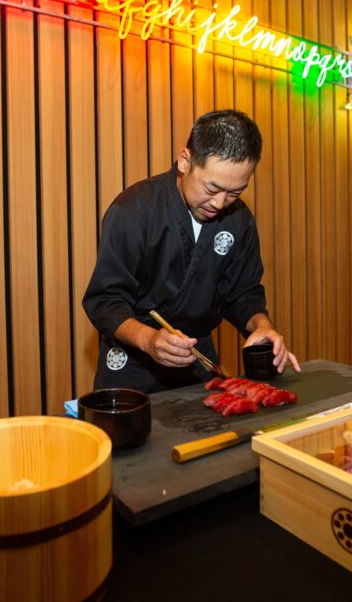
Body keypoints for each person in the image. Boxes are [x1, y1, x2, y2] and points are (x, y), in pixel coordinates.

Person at [83, 109, 300, 393]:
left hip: (199, 362)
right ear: (185, 161)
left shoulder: (239, 219)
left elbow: (242, 292)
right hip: (133, 364)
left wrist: (262, 325)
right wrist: (149, 339)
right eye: (212, 188)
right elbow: (106, 300)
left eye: (235, 192)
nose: (220, 203)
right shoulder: (133, 210)